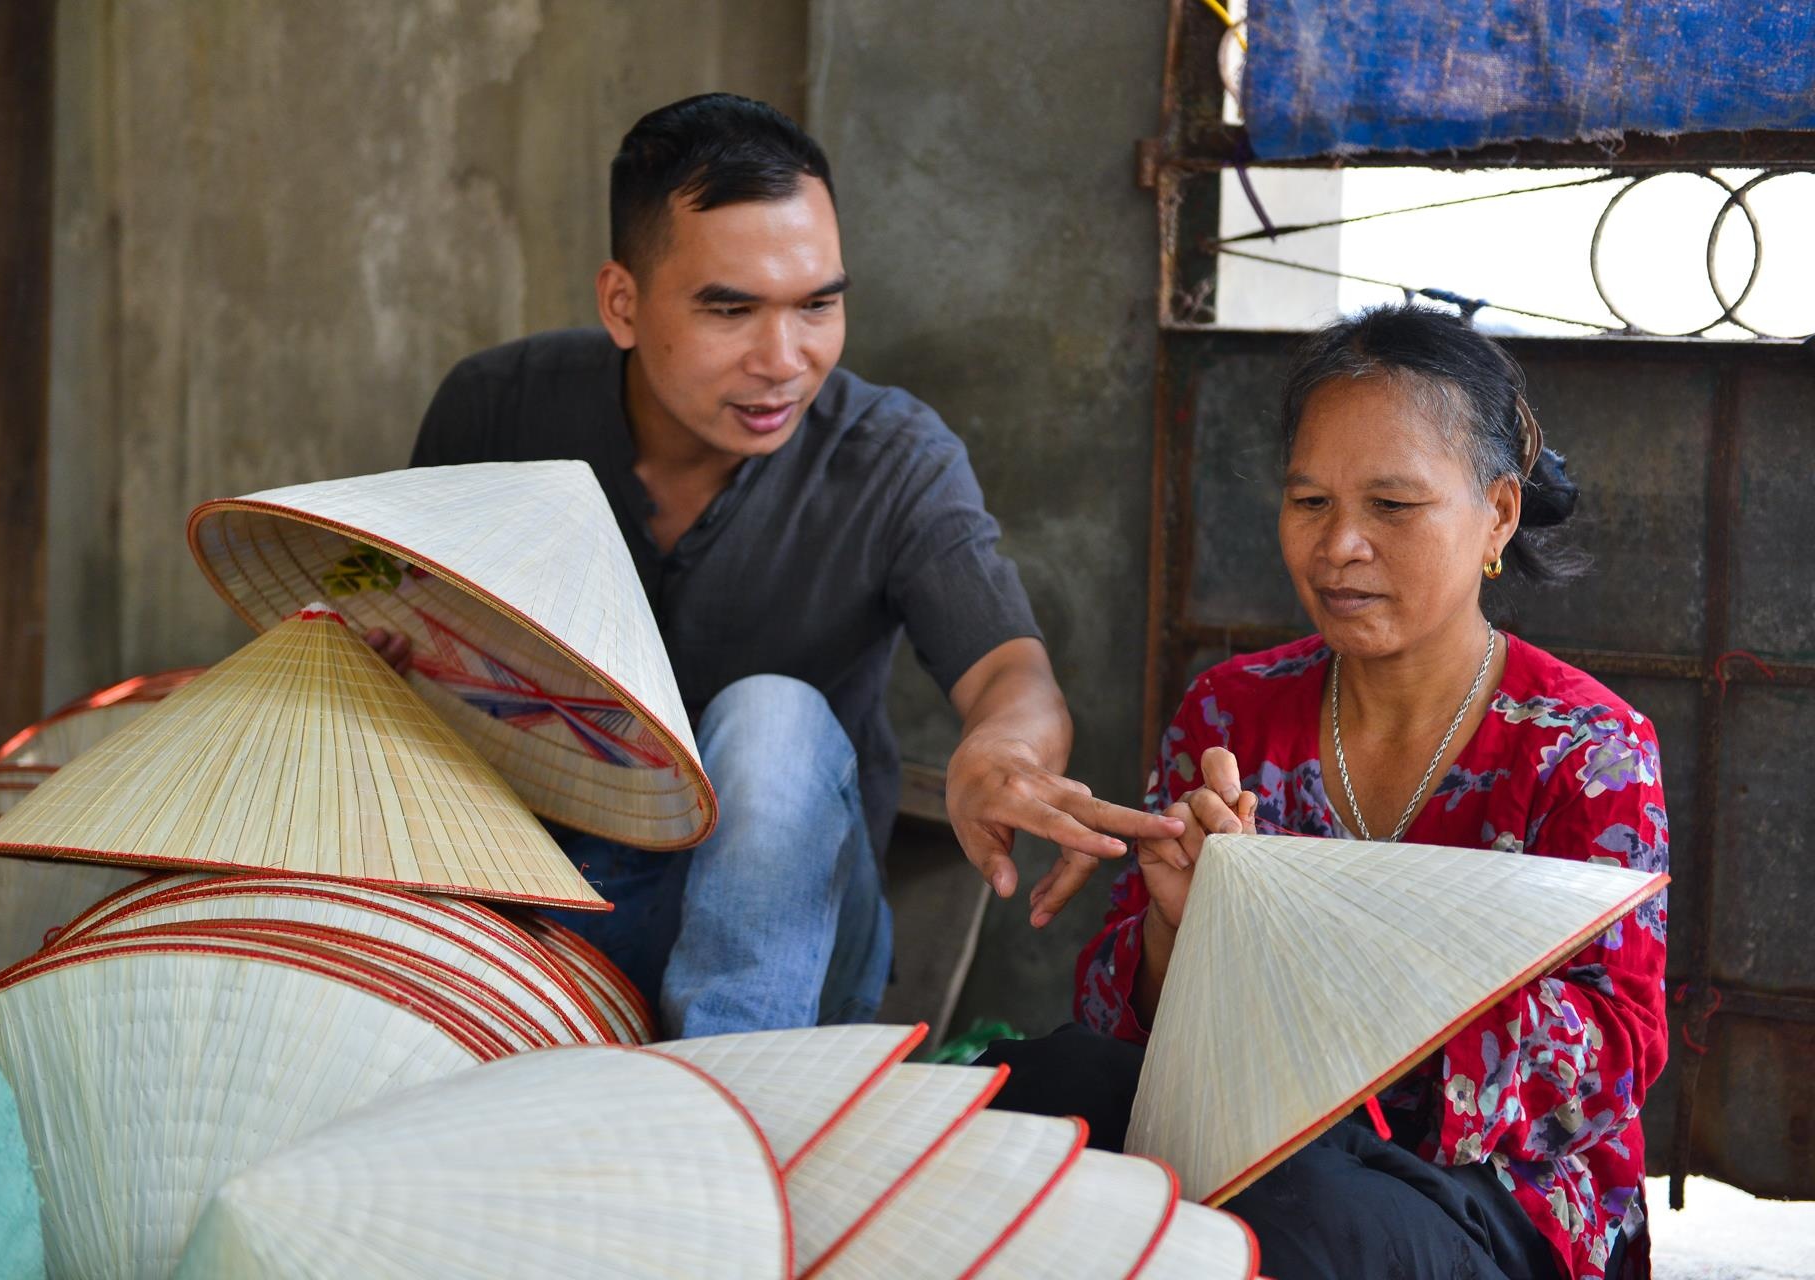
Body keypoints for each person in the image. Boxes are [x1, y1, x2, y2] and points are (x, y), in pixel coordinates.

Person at [378, 93, 1181, 1039]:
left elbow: (1013, 672)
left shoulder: (892, 458)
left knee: (771, 715)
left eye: (818, 306)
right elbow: (389, 630)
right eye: (731, 310)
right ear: (622, 303)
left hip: (794, 953)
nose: (784, 359)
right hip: (533, 921)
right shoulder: (497, 413)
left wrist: (999, 755)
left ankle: (732, 1107)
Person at [991, 304, 1668, 1280]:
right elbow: (1117, 1023)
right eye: (1309, 500)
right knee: (1033, 1090)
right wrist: (1179, 930)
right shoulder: (1230, 711)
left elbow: (1616, 1054)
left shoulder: (1586, 748)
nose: (1339, 541)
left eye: (1392, 506)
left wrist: (1348, 981)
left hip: (1487, 1195)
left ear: (1499, 515)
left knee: (1274, 1218)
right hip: (1244, 1132)